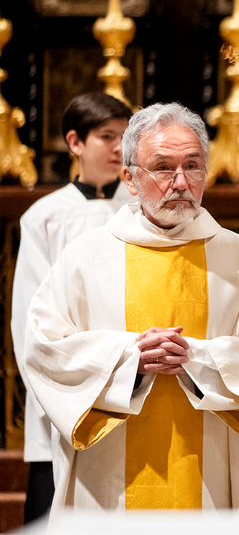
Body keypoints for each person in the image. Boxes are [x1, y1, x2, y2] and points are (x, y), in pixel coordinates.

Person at [23, 103, 239, 512]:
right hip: (108, 477)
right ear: (130, 179)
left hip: (209, 474)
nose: (181, 182)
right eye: (163, 168)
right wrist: (128, 359)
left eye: (193, 166)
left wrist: (198, 360)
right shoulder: (84, 257)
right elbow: (45, 349)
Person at [11, 92, 135, 523]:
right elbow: (30, 313)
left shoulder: (142, 210)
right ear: (75, 142)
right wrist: (58, 383)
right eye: (107, 136)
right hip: (64, 384)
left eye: (126, 137)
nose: (119, 148)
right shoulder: (45, 216)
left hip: (132, 377)